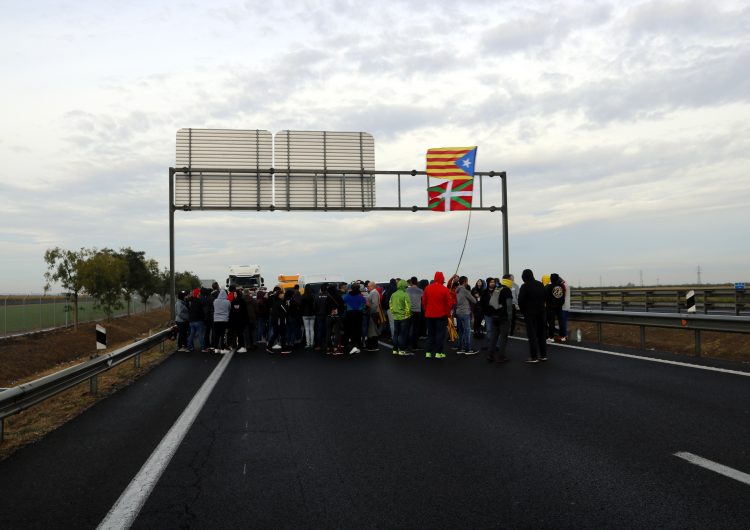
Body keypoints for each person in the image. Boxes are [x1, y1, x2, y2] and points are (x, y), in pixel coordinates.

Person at [518, 269, 547, 363]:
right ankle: (543, 355)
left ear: (524, 277)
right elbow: (545, 297)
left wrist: (523, 311)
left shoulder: (525, 286)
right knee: (541, 335)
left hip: (530, 313)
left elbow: (521, 300)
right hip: (541, 312)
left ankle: (534, 357)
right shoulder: (540, 284)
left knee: (532, 335)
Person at [422, 271, 452, 359]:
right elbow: (449, 303)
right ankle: (438, 353)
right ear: (442, 279)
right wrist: (447, 313)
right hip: (441, 315)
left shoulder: (427, 288)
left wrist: (426, 311)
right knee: (440, 334)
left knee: (431, 334)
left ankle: (428, 352)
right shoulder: (445, 289)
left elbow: (424, 302)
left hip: (429, 315)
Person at [487, 275, 513, 363]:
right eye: (512, 279)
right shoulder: (507, 290)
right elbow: (509, 305)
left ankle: (490, 355)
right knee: (503, 337)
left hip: (495, 316)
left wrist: (497, 309)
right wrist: (510, 318)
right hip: (503, 317)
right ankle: (501, 357)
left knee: (494, 336)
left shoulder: (498, 288)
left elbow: (491, 302)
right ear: (509, 280)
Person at [455, 276, 477, 354]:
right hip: (465, 312)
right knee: (467, 331)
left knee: (460, 331)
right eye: (467, 281)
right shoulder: (465, 291)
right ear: (464, 282)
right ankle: (468, 349)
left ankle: (460, 348)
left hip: (458, 312)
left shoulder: (457, 290)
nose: (467, 283)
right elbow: (474, 301)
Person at [389, 279, 412, 355]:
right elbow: (408, 307)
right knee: (402, 334)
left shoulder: (393, 294)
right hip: (404, 317)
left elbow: (391, 305)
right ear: (403, 286)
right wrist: (407, 315)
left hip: (396, 317)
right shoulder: (405, 294)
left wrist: (393, 313)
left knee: (396, 333)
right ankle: (401, 350)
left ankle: (395, 349)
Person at [342, 283, 366, 354]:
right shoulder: (361, 297)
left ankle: (346, 344)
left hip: (349, 314)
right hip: (359, 314)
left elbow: (343, 305)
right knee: (358, 329)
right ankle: (358, 344)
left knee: (348, 329)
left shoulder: (345, 296)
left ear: (351, 288)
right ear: (358, 289)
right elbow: (364, 306)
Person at [267, 287, 291, 354]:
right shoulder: (280, 302)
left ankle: (269, 347)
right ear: (279, 295)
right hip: (280, 321)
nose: (284, 295)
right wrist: (288, 305)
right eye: (282, 294)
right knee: (283, 334)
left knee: (276, 334)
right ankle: (283, 349)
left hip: (276, 320)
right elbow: (286, 310)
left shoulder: (275, 302)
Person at [545, 273, 566, 342]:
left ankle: (551, 337)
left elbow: (546, 296)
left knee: (551, 323)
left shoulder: (549, 286)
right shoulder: (562, 286)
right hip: (559, 306)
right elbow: (563, 296)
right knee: (561, 321)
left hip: (551, 307)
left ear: (551, 279)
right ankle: (563, 336)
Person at [228, 285, 248, 353]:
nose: (234, 294)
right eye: (234, 293)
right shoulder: (233, 301)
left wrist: (245, 320)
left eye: (236, 293)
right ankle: (238, 345)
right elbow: (231, 311)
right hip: (234, 321)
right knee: (235, 333)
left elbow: (245, 312)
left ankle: (242, 346)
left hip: (241, 321)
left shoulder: (242, 302)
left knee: (240, 334)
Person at [406, 276, 423, 350]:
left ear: (411, 282)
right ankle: (415, 345)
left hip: (409, 310)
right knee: (415, 329)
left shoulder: (407, 290)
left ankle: (406, 344)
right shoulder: (420, 290)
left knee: (408, 327)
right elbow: (424, 300)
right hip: (417, 311)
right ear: (417, 282)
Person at [364, 281, 381, 351]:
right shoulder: (373, 292)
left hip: (373, 313)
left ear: (372, 286)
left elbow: (375, 304)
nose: (367, 287)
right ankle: (373, 346)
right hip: (373, 313)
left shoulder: (374, 293)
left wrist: (369, 309)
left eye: (369, 286)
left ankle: (372, 346)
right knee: (372, 330)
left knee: (372, 330)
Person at [212, 289, 231, 353]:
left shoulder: (215, 301)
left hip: (216, 320)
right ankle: (223, 348)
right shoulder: (227, 302)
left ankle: (216, 348)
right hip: (224, 320)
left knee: (216, 335)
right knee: (223, 335)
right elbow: (229, 309)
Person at [480, 278, 497, 347]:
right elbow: (482, 303)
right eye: (491, 282)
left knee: (496, 330)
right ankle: (488, 345)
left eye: (494, 282)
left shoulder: (497, 291)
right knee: (489, 329)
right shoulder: (484, 292)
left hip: (496, 314)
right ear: (488, 283)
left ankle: (497, 345)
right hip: (487, 314)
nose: (493, 283)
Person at [187, 288, 205, 352]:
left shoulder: (190, 301)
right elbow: (201, 311)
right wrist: (203, 318)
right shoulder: (198, 301)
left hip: (191, 320)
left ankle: (189, 347)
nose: (200, 293)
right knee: (200, 334)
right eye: (199, 292)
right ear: (197, 293)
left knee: (191, 334)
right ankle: (203, 348)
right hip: (198, 320)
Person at [313, 283, 330, 351]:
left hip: (319, 315)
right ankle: (327, 346)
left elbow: (314, 307)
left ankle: (318, 345)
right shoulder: (329, 296)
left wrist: (316, 313)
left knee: (319, 330)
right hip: (327, 315)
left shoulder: (317, 296)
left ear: (321, 289)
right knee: (327, 330)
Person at [560, 275, 570, 342]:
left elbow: (561, 296)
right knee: (564, 322)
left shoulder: (563, 286)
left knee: (563, 322)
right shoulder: (566, 284)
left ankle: (564, 336)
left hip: (563, 306)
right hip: (566, 306)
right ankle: (564, 335)